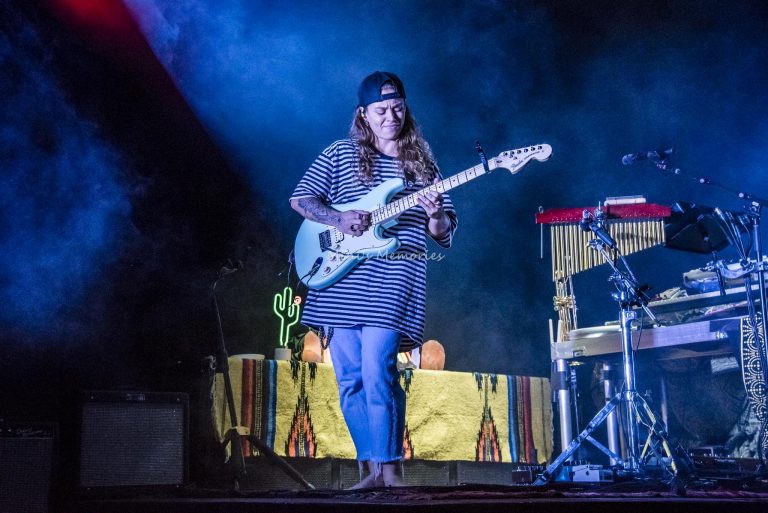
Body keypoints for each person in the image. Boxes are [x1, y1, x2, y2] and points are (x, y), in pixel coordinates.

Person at [289, 71, 458, 488]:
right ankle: (371, 470)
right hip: (340, 277)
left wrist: (435, 212)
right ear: (363, 115)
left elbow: (445, 232)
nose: (390, 116)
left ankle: (391, 469)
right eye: (381, 110)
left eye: (397, 107)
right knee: (349, 377)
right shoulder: (339, 154)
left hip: (395, 273)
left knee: (379, 369)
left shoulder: (422, 164)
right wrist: (339, 217)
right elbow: (301, 199)